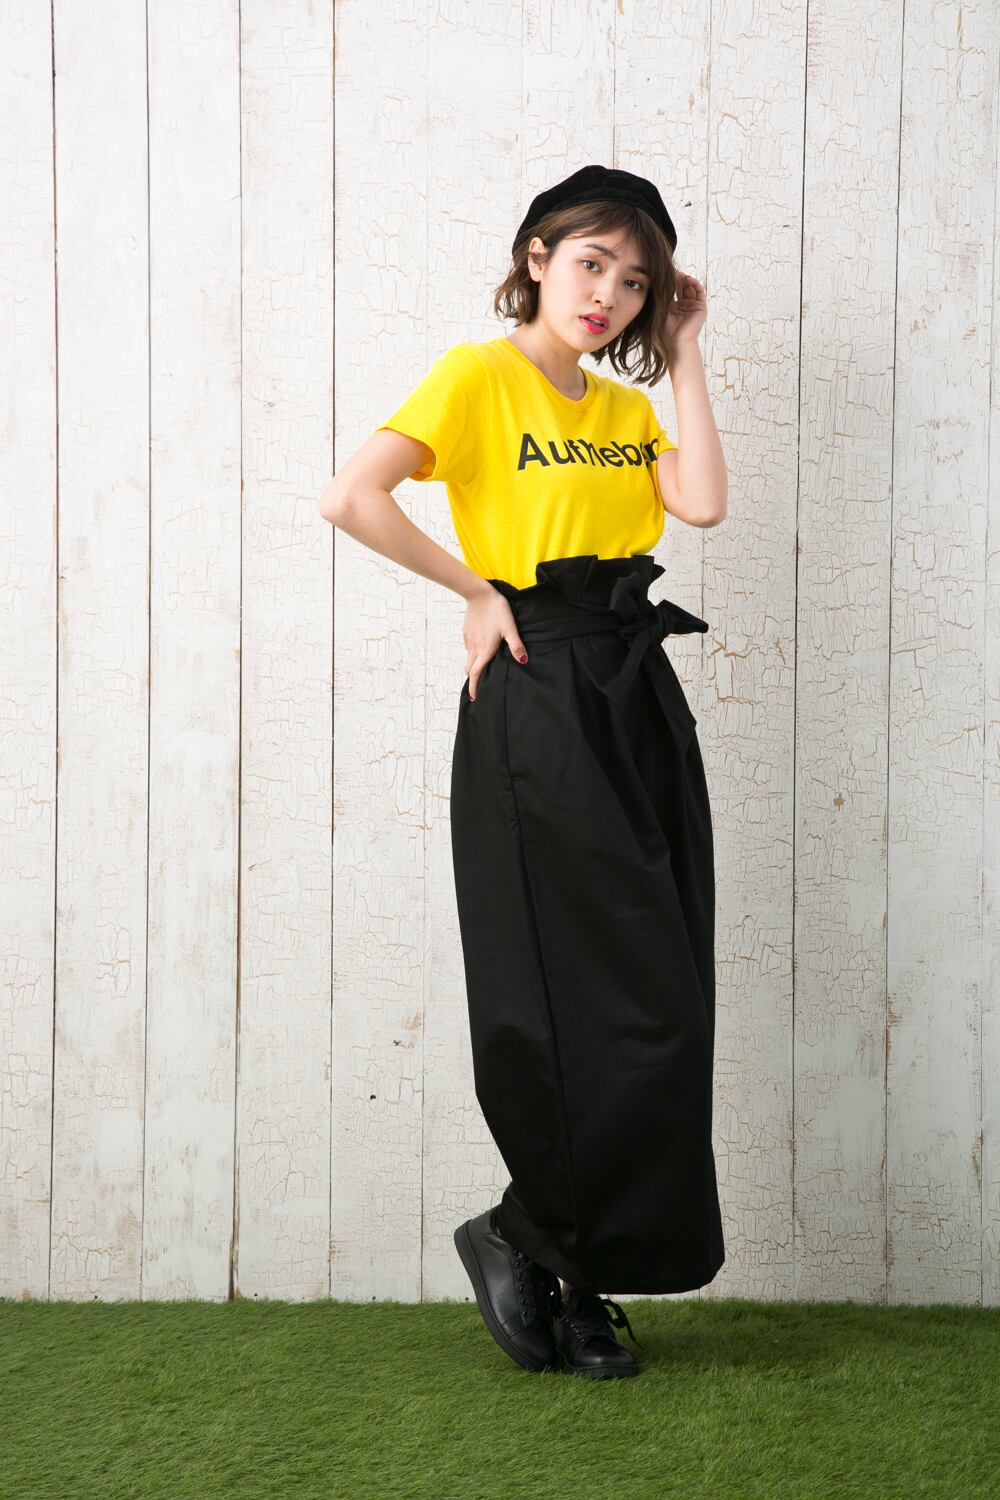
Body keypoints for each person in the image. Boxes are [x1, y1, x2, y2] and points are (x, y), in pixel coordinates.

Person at [319, 164, 729, 1380]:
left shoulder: (622, 408)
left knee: (658, 992)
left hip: (634, 691)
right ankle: (544, 1243)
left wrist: (685, 350)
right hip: (537, 687)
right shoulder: (477, 376)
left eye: (636, 281)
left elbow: (701, 503)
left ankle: (560, 1252)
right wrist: (474, 590)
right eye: (591, 262)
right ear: (537, 256)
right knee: (561, 994)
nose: (609, 294)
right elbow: (352, 495)